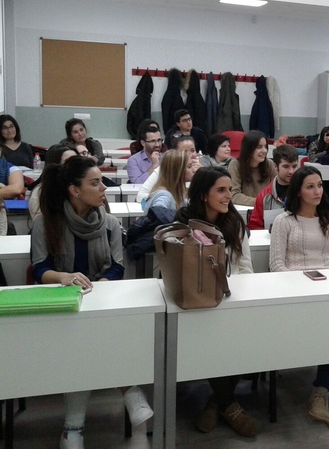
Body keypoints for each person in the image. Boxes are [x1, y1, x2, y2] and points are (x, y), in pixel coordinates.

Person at [31, 156, 153, 447]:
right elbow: (39, 269)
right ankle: (130, 394)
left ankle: (73, 430)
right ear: (75, 190)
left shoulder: (109, 223)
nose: (103, 188)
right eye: (95, 183)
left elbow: (117, 266)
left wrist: (101, 285)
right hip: (63, 303)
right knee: (84, 342)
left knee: (100, 337)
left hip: (102, 298)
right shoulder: (46, 223)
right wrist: (64, 277)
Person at [177, 167, 259, 437]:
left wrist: (241, 297)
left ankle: (218, 402)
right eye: (221, 191)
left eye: (228, 190)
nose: (228, 196)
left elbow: (245, 265)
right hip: (195, 300)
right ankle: (229, 405)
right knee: (212, 336)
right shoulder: (183, 224)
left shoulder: (235, 222)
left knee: (242, 335)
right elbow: (177, 269)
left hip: (230, 298)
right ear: (203, 195)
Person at [268, 166, 329, 435]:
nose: (317, 191)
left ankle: (324, 393)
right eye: (310, 187)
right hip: (295, 296)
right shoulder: (285, 221)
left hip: (328, 293)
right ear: (298, 191)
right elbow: (277, 266)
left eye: (319, 185)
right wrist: (303, 286)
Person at [137, 134, 200, 205]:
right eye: (184, 151)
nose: (190, 155)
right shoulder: (165, 169)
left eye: (192, 150)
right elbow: (140, 196)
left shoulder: (202, 170)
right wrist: (170, 198)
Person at [248, 144, 299, 230]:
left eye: (294, 166)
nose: (291, 171)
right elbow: (254, 227)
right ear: (275, 167)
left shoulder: (304, 191)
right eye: (286, 166)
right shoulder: (264, 196)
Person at [28, 144, 79, 222]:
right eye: (67, 161)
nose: (74, 165)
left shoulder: (82, 187)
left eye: (76, 160)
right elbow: (42, 224)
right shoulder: (40, 192)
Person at [229, 130, 276, 205]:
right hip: (244, 210)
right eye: (259, 147)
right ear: (249, 149)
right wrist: (261, 202)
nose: (264, 151)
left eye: (265, 147)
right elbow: (234, 195)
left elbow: (277, 190)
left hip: (266, 209)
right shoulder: (235, 165)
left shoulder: (269, 164)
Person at [144, 149, 194, 214]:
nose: (193, 169)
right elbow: (158, 215)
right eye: (189, 166)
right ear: (177, 171)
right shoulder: (164, 195)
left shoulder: (177, 193)